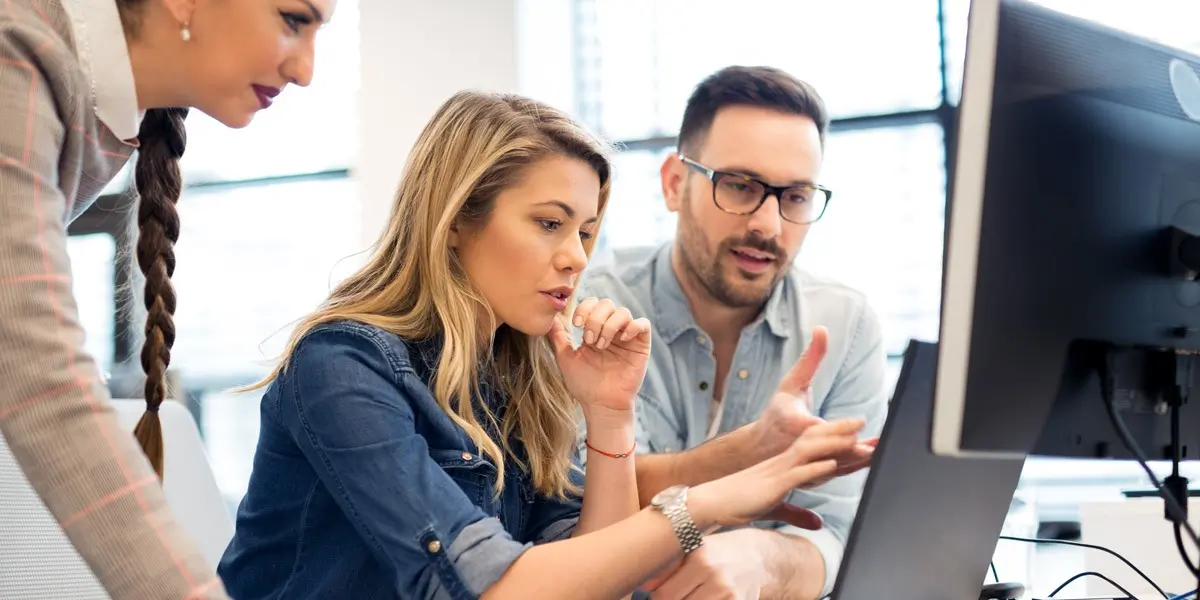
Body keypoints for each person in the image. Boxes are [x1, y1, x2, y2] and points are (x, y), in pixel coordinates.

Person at [217, 90, 870, 600]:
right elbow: (493, 588)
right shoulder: (342, 365)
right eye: (550, 223)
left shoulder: (514, 380)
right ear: (455, 220)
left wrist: (609, 414)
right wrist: (704, 504)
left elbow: (594, 581)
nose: (576, 258)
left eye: (585, 232)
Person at [0, 0, 335, 597]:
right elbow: (39, 378)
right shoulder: (16, 50)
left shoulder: (98, 107)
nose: (306, 70)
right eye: (292, 19)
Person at [578, 66, 889, 599]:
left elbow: (845, 534)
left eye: (796, 196)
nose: (769, 225)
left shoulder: (847, 324)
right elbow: (580, 499)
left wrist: (768, 561)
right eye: (740, 186)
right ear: (675, 184)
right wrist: (751, 451)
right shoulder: (590, 306)